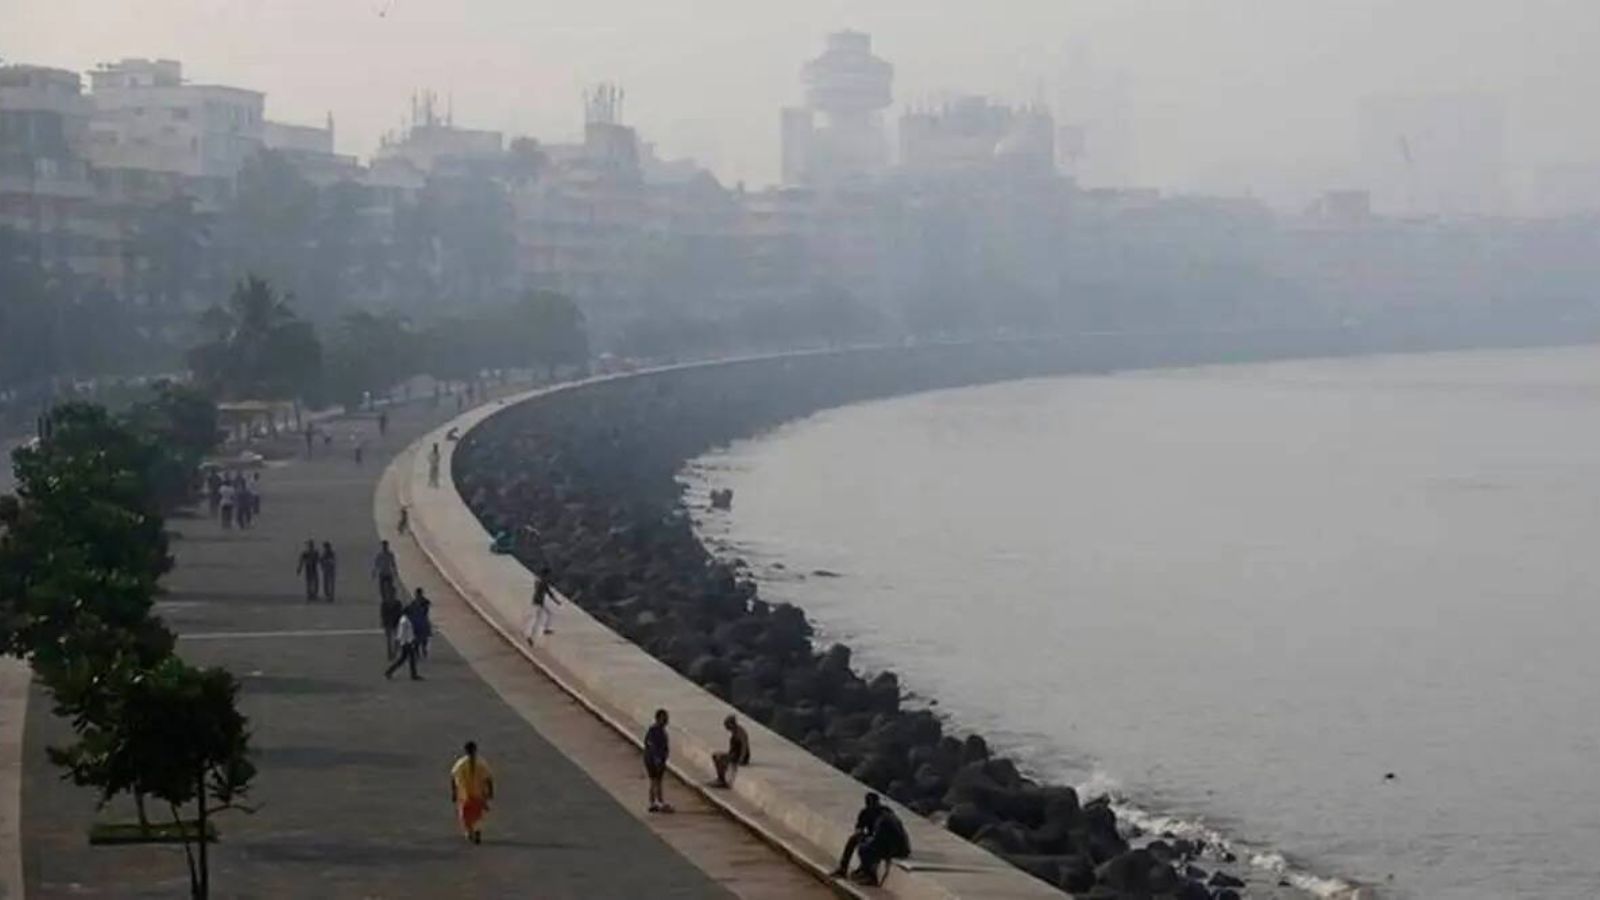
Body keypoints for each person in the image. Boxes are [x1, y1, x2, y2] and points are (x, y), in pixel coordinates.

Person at [832, 793, 911, 885]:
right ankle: (843, 868)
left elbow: (884, 838)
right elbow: (859, 830)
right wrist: (861, 835)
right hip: (879, 841)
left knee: (865, 849)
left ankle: (871, 876)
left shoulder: (885, 817)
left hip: (894, 846)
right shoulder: (865, 813)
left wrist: (866, 843)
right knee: (854, 839)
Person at [450, 741, 494, 845]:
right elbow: (488, 778)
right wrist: (491, 792)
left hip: (465, 794)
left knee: (465, 815)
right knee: (477, 814)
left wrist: (454, 792)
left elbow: (453, 777)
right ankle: (476, 830)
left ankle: (470, 831)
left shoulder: (461, 763)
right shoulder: (481, 763)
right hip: (478, 793)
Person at [643, 708, 673, 813]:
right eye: (664, 718)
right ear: (659, 718)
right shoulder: (655, 730)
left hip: (654, 758)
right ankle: (659, 802)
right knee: (657, 780)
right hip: (654, 759)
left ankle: (653, 802)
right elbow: (651, 744)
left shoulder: (659, 730)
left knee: (654, 780)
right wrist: (657, 757)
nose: (667, 720)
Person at [523, 566, 560, 646]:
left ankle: (535, 634)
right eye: (548, 575)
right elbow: (550, 593)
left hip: (537, 602)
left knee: (539, 617)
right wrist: (556, 601)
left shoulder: (538, 581)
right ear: (546, 575)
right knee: (536, 619)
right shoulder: (544, 583)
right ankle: (530, 636)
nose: (549, 577)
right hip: (538, 603)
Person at [712, 715, 750, 788]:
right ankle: (720, 778)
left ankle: (722, 780)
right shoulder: (734, 732)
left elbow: (744, 747)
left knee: (720, 758)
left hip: (739, 756)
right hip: (734, 754)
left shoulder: (741, 733)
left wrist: (741, 760)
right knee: (715, 756)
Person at [385, 607, 422, 680]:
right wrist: (403, 643)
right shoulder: (404, 621)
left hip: (407, 642)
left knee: (403, 659)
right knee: (411, 659)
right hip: (406, 643)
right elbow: (401, 633)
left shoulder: (406, 619)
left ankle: (389, 671)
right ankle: (413, 675)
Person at [380, 589, 405, 660]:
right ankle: (390, 652)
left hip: (396, 622)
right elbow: (383, 614)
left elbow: (401, 614)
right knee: (389, 639)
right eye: (390, 594)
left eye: (392, 594)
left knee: (397, 639)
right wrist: (384, 621)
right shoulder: (384, 604)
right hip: (388, 623)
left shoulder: (398, 603)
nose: (391, 596)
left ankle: (394, 652)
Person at [409, 588, 433, 658]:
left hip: (423, 620)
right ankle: (417, 652)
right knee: (416, 638)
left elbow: (427, 606)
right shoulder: (414, 603)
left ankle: (423, 649)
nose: (418, 596)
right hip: (417, 621)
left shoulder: (424, 602)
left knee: (424, 638)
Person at [372, 540, 399, 604]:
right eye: (383, 546)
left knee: (390, 586)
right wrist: (374, 572)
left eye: (385, 546)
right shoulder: (380, 555)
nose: (384, 547)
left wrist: (395, 571)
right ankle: (384, 599)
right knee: (382, 588)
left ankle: (391, 597)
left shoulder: (390, 555)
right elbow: (376, 564)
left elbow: (393, 563)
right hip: (382, 573)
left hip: (388, 573)